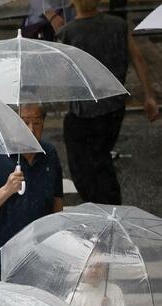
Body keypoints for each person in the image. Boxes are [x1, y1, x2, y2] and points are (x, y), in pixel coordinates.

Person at [57, 0, 158, 205]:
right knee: (102, 159)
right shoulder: (118, 25)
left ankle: (103, 206)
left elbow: (62, 76)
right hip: (114, 107)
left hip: (83, 111)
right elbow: (138, 58)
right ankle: (110, 205)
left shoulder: (68, 32)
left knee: (84, 168)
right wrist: (149, 95)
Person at [0, 103, 64, 280]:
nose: (31, 129)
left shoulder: (49, 154)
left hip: (41, 258)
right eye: (25, 122)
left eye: (37, 123)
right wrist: (7, 189)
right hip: (1, 259)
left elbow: (57, 205)